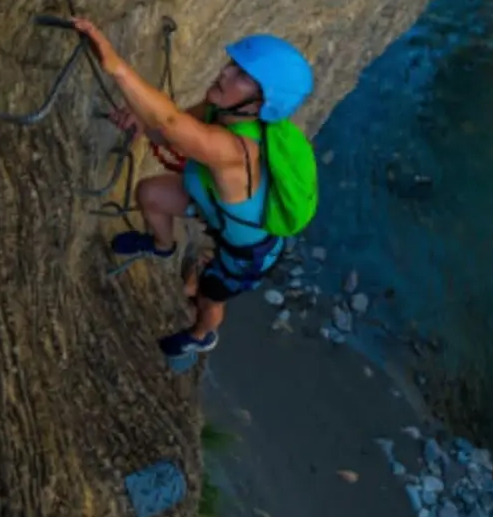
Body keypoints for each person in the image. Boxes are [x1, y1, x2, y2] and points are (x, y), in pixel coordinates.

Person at [71, 18, 314, 358]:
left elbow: (170, 123)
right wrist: (141, 122)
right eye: (234, 65)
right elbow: (170, 130)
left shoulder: (236, 151)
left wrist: (117, 67)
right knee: (149, 194)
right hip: (211, 205)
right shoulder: (220, 110)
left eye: (243, 76)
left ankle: (201, 336)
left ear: (259, 105)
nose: (226, 73)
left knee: (209, 295)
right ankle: (162, 245)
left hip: (244, 251)